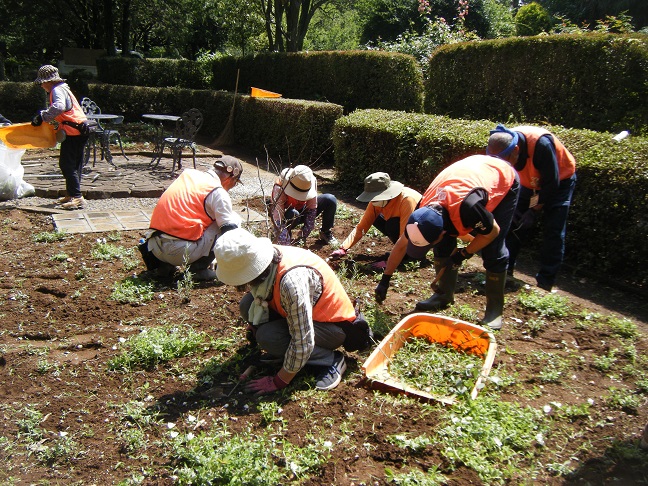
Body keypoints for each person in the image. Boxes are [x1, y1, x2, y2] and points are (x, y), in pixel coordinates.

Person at [375, 147, 520, 330]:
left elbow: (492, 232)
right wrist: (385, 279)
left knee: (493, 249)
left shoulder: (470, 209)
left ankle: (494, 310)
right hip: (466, 176)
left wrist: (464, 254)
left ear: (442, 231)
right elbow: (401, 244)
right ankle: (443, 295)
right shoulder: (422, 212)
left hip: (501, 176)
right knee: (443, 246)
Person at [213, 228, 372, 394]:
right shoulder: (267, 259)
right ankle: (288, 355)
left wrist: (278, 381)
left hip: (333, 328)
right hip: (306, 317)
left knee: (269, 337)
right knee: (247, 304)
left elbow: (303, 341)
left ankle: (331, 360)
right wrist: (254, 323)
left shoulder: (292, 282)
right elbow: (261, 296)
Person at [489, 124, 577, 291]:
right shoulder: (501, 144)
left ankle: (545, 283)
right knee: (513, 225)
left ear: (516, 150)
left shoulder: (541, 145)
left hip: (559, 183)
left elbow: (552, 184)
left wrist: (533, 210)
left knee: (554, 231)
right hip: (527, 183)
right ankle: (506, 271)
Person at [144, 155, 244, 281]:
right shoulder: (218, 192)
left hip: (153, 248)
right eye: (235, 183)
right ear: (231, 178)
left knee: (199, 216)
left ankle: (164, 267)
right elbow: (230, 234)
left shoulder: (188, 175)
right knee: (232, 220)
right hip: (178, 252)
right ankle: (197, 270)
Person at [330, 172, 422, 269]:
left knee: (392, 225)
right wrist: (343, 248)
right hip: (404, 231)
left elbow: (405, 234)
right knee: (377, 219)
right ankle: (401, 252)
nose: (372, 201)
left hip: (421, 233)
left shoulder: (406, 200)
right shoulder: (376, 202)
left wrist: (390, 261)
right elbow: (362, 227)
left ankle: (410, 255)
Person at [31, 65, 88, 209]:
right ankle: (71, 194)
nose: (42, 86)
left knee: (66, 165)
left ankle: (77, 197)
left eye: (42, 83)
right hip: (81, 129)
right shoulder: (63, 88)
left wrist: (42, 117)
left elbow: (59, 107)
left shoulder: (56, 90)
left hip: (73, 131)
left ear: (48, 81)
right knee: (75, 165)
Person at [271, 165, 338, 245]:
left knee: (330, 199)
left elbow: (312, 211)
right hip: (288, 215)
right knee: (293, 213)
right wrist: (282, 235)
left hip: (302, 211)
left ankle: (325, 232)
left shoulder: (308, 183)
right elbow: (277, 219)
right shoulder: (279, 188)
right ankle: (284, 233)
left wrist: (305, 232)